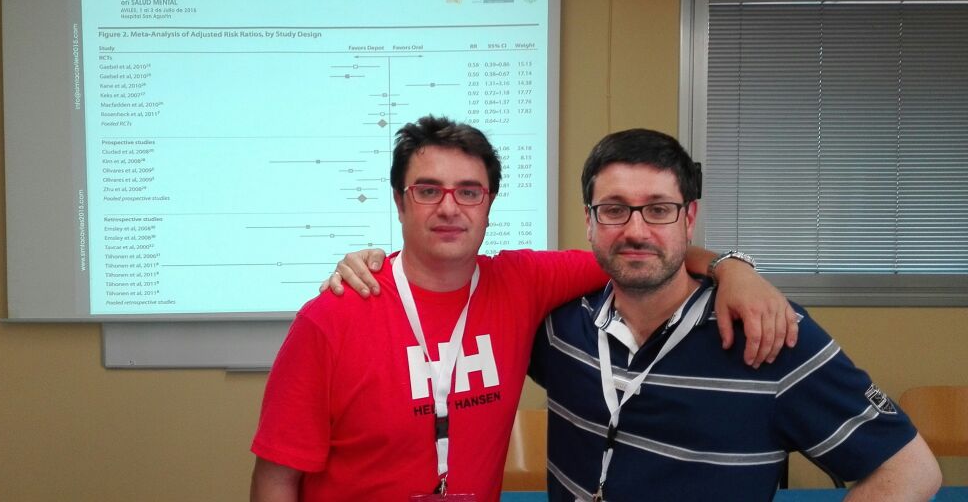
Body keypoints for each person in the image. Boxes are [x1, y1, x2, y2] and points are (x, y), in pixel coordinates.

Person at [251, 117, 796, 501]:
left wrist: (733, 269)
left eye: (469, 191)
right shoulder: (333, 317)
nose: (449, 207)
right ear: (399, 201)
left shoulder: (521, 282)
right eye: (428, 190)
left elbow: (637, 250)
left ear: (489, 204)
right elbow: (277, 478)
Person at [525, 129, 940, 500]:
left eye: (659, 209)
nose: (636, 230)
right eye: (614, 210)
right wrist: (728, 264)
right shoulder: (559, 327)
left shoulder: (769, 333)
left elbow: (911, 470)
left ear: (689, 219)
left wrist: (733, 267)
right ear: (589, 221)